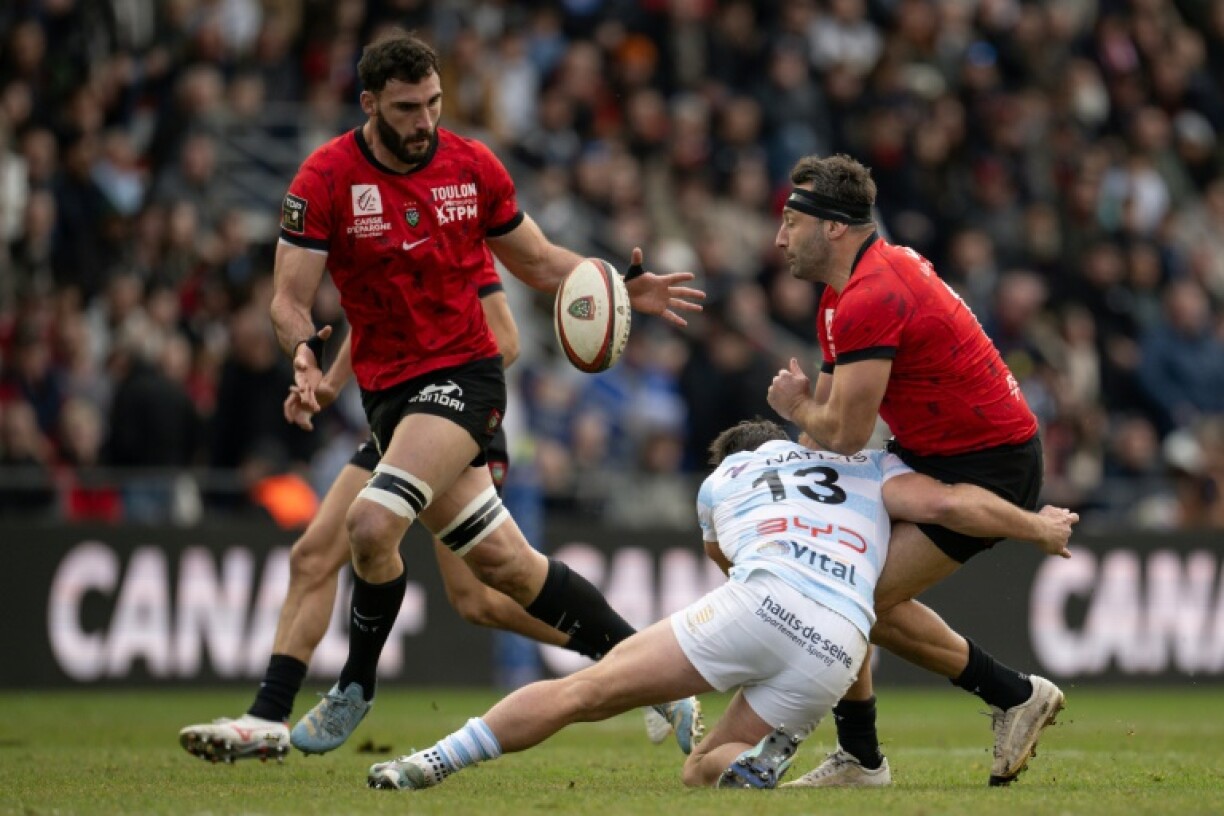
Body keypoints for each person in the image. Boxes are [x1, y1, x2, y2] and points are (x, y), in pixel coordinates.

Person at [268, 32, 705, 758]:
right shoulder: (331, 179)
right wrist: (318, 371)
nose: (426, 121)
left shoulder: (466, 182)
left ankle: (334, 691)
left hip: (460, 395)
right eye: (409, 108)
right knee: (479, 581)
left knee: (375, 534)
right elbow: (318, 307)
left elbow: (517, 304)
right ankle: (648, 667)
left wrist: (619, 286)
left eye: (435, 104)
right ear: (371, 103)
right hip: (393, 405)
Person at [364, 419, 1077, 791]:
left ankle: (433, 762)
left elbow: (727, 562)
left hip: (764, 603)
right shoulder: (868, 469)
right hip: (839, 643)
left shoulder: (722, 480)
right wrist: (1035, 526)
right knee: (707, 765)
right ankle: (766, 761)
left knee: (587, 690)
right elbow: (953, 503)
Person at [179, 275, 638, 763]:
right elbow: (376, 316)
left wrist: (428, 386)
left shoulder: (455, 221)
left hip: (452, 420)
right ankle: (269, 716)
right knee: (313, 555)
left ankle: (628, 656)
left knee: (479, 596)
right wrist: (331, 385)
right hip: (395, 425)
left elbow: (505, 340)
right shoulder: (380, 226)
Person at [766, 154, 1062, 788]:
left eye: (791, 221)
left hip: (990, 465)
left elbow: (842, 431)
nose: (779, 237)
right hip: (929, 450)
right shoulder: (842, 295)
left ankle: (982, 706)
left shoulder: (872, 295)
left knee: (849, 601)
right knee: (838, 592)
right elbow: (826, 435)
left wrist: (794, 406)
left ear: (834, 228)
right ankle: (874, 752)